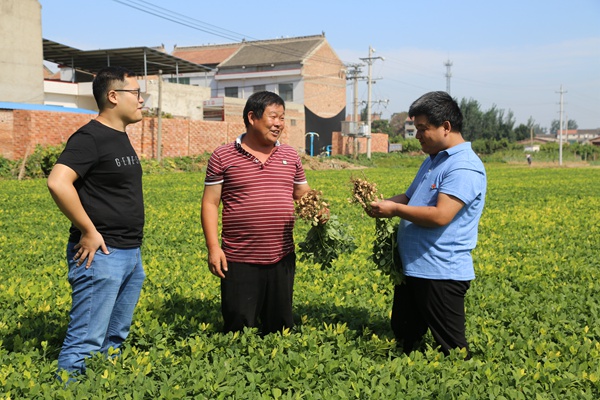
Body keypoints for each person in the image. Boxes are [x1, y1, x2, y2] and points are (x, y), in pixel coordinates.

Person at [368, 91, 487, 358]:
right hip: (414, 268)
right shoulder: (433, 160)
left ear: (446, 127)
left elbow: (441, 216)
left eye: (423, 129)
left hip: (441, 272)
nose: (417, 135)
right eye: (416, 128)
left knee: (452, 349)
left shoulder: (464, 166)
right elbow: (410, 197)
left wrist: (395, 209)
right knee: (405, 337)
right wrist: (382, 203)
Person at [47, 66, 146, 377]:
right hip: (101, 255)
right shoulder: (90, 137)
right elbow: (58, 182)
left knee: (114, 337)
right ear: (113, 96)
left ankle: (103, 386)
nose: (142, 100)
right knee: (85, 342)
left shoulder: (119, 137)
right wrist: (88, 230)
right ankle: (70, 389)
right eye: (137, 93)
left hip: (129, 252)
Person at [201, 91, 313, 334]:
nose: (279, 124)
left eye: (282, 118)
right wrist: (213, 247)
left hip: (282, 256)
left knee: (280, 327)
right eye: (274, 117)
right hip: (239, 257)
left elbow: (303, 193)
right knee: (239, 328)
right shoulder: (223, 156)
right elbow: (210, 203)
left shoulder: (290, 155)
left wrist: (318, 209)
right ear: (252, 117)